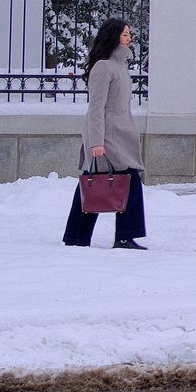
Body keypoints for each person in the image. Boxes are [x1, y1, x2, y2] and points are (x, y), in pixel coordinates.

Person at [63, 18, 147, 249]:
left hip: (121, 133)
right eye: (124, 34)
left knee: (96, 181)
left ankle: (76, 236)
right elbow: (96, 108)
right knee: (121, 180)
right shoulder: (103, 67)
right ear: (113, 37)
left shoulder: (120, 67)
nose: (129, 38)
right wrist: (96, 143)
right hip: (108, 136)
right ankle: (124, 237)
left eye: (129, 34)